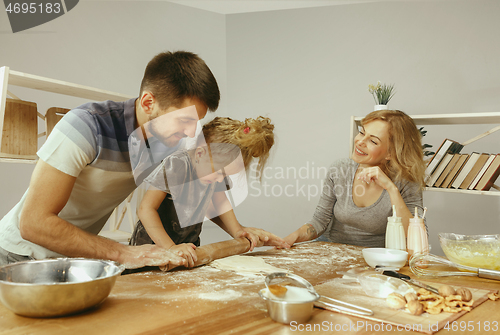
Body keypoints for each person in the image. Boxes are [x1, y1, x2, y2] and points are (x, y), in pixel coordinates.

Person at [0, 51, 221, 269]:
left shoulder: (169, 140)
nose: (191, 133)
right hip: (18, 255)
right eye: (184, 120)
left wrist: (239, 231)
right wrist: (123, 252)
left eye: (196, 122)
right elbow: (33, 223)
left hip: (72, 257)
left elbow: (205, 186)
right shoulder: (86, 126)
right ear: (147, 103)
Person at [130, 116, 290, 267]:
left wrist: (238, 230)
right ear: (200, 153)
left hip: (188, 250)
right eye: (220, 172)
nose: (221, 180)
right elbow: (146, 209)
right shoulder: (177, 166)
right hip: (150, 250)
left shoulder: (212, 174)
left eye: (226, 175)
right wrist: (170, 248)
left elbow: (219, 203)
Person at [284, 110, 426, 248]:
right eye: (362, 132)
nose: (360, 142)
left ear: (390, 153)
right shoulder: (339, 169)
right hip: (330, 251)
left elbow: (417, 236)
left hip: (374, 259)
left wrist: (391, 188)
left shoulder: (405, 181)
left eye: (373, 141)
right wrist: (294, 236)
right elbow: (320, 221)